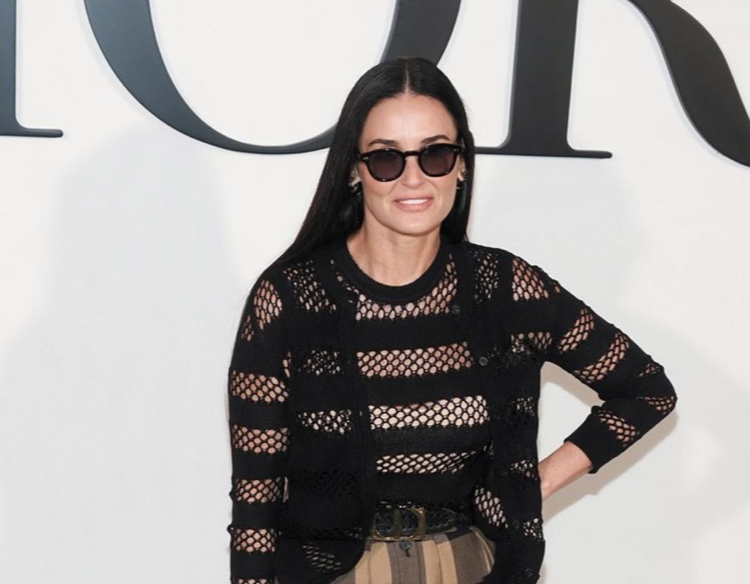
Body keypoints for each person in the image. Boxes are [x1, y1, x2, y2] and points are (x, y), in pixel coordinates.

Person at [225, 56, 678, 584]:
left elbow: (646, 391)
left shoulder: (503, 288)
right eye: (386, 158)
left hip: (469, 569)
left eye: (436, 154)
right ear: (353, 169)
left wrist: (530, 488)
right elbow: (256, 497)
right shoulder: (290, 299)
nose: (413, 178)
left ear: (461, 164)